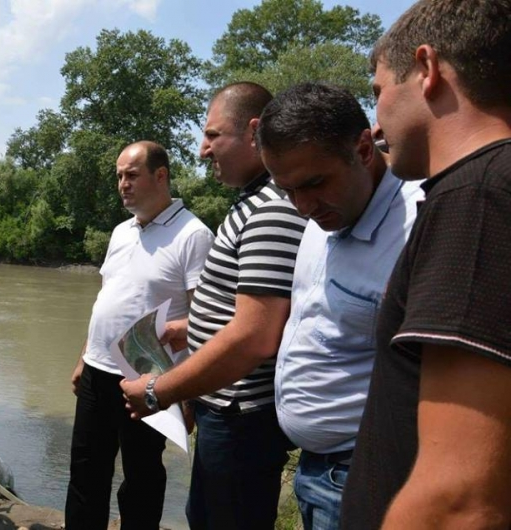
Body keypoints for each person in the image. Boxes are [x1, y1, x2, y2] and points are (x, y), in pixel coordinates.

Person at [340, 1, 511, 528]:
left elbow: (460, 499)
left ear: (426, 67)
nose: (376, 123)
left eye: (378, 90)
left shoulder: (476, 198)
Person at [121, 83, 307, 529]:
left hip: (240, 417)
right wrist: (192, 327)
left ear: (254, 133)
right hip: (225, 412)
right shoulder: (251, 202)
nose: (203, 150)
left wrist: (160, 391)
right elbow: (250, 312)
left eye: (212, 135)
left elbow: (255, 337)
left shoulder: (271, 210)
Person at [255, 82, 422, 529]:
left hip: (367, 479)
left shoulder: (418, 227)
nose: (302, 206)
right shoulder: (328, 211)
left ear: (364, 149)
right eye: (287, 189)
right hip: (315, 471)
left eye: (314, 183)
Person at [65, 141, 214, 530]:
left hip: (149, 377)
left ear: (160, 176)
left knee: (142, 475)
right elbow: (107, 299)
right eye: (119, 176)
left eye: (131, 175)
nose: (122, 184)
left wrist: (187, 393)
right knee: (85, 470)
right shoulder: (121, 231)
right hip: (97, 371)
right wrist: (84, 356)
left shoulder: (193, 234)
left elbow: (205, 319)